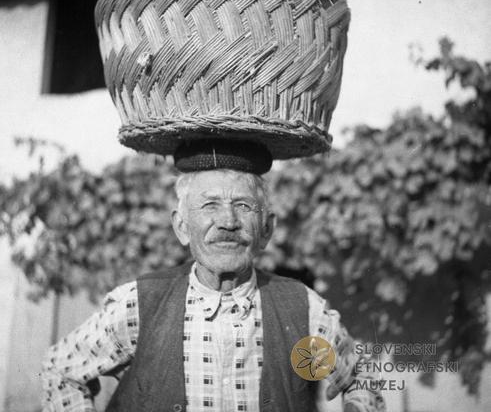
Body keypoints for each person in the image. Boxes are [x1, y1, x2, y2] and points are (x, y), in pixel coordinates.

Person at [41, 141, 386, 412]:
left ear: (266, 229)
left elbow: (363, 379)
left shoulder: (303, 310)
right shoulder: (139, 305)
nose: (228, 222)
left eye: (244, 206)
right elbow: (61, 371)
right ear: (181, 226)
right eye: (210, 205)